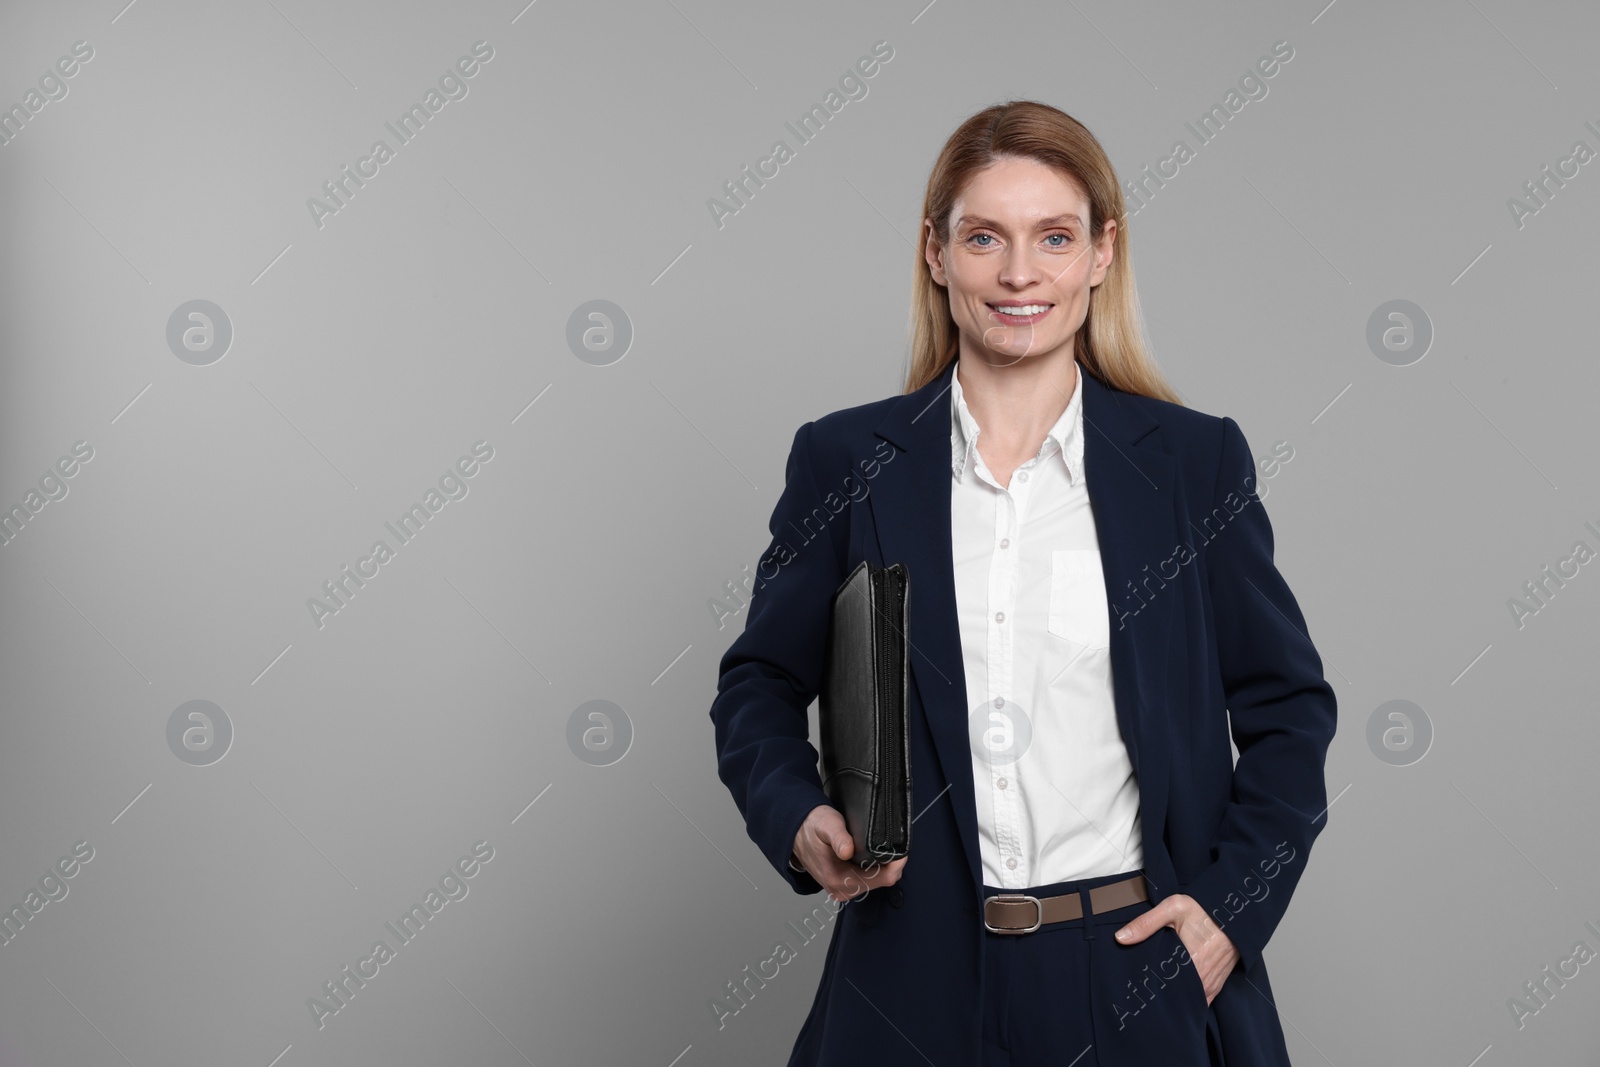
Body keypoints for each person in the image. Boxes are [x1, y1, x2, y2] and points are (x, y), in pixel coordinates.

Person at [708, 99, 1336, 1067]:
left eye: (1053, 236)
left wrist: (1225, 913)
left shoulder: (1190, 465)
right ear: (934, 252)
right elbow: (756, 683)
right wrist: (797, 816)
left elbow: (1289, 709)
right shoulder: (847, 459)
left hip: (1132, 971)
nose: (1017, 273)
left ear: (1100, 252)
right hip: (909, 976)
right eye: (982, 238)